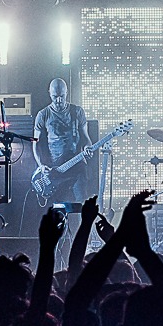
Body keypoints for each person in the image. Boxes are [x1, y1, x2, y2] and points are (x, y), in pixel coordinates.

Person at [32, 78, 96, 255]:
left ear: (67, 93)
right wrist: (41, 165)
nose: (59, 100)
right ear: (49, 94)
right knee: (58, 209)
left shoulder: (77, 112)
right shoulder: (43, 115)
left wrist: (87, 148)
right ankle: (56, 248)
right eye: (55, 96)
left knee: (82, 205)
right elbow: (35, 144)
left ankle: (85, 246)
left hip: (77, 166)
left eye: (61, 96)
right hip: (56, 170)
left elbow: (86, 138)